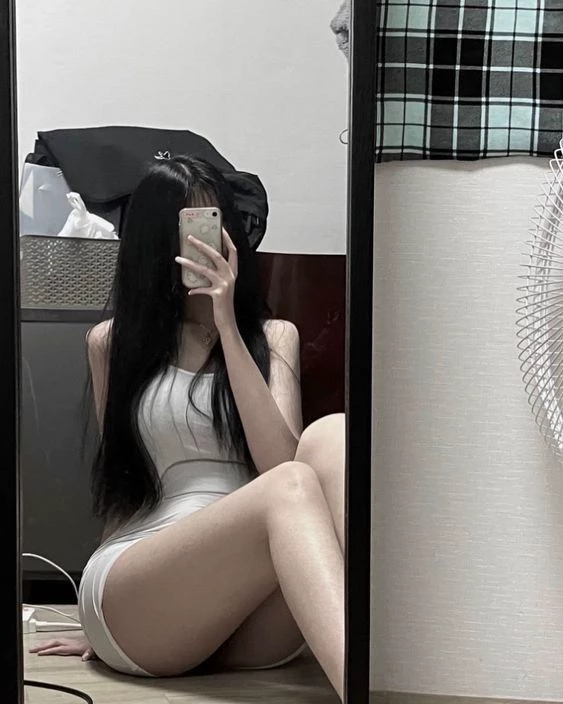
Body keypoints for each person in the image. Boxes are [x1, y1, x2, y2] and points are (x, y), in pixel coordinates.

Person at [30, 155, 346, 700]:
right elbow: (123, 487)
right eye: (188, 230)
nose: (205, 245)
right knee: (290, 486)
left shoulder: (275, 338)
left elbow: (279, 465)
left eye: (214, 225)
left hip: (249, 611)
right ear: (157, 244)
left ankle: (366, 666)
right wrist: (102, 624)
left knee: (333, 435)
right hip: (149, 582)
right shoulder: (113, 344)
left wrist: (228, 325)